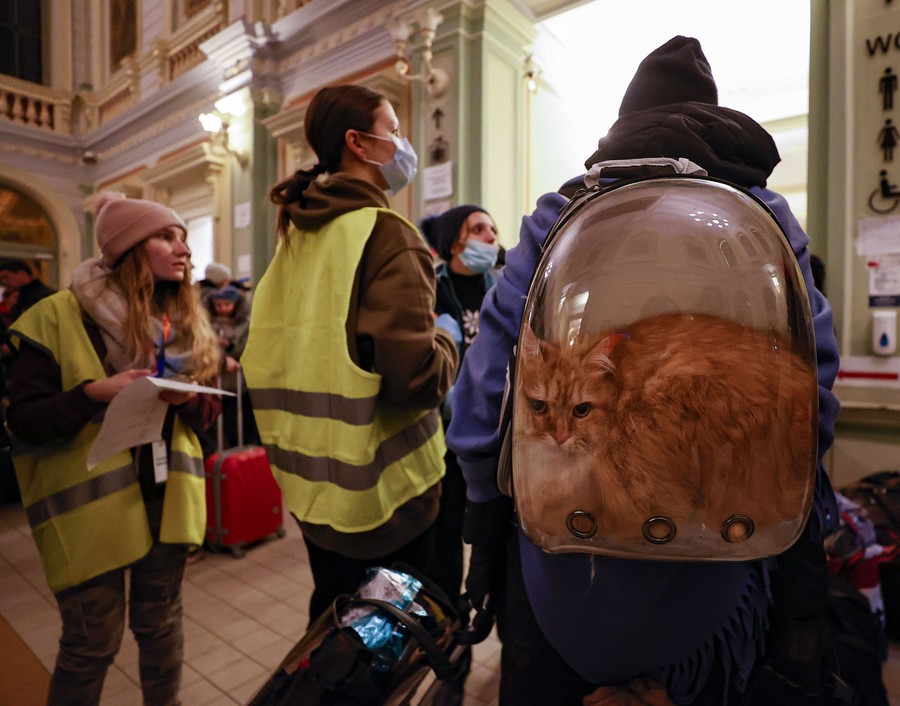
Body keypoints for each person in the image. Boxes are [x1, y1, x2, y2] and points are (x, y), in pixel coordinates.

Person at [447, 36, 843, 705]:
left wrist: (485, 511)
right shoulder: (764, 219)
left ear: (622, 127)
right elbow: (814, 384)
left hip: (566, 544)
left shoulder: (563, 211)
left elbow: (487, 384)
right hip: (723, 540)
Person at [241, 84, 460, 624]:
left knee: (336, 630)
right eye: (393, 130)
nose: (402, 144)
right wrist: (447, 338)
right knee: (392, 639)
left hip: (315, 495)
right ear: (359, 143)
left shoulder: (295, 237)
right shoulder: (387, 235)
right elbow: (416, 381)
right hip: (389, 500)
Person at [6, 191, 222, 705]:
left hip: (167, 499)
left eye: (184, 238)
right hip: (90, 511)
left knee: (162, 626)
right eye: (166, 236)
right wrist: (92, 394)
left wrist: (186, 402)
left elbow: (208, 418)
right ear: (127, 248)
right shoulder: (57, 315)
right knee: (90, 644)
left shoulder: (183, 320)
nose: (182, 249)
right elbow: (24, 421)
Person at [420, 204, 500, 604]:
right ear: (455, 242)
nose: (492, 236)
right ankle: (450, 639)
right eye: (479, 228)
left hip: (496, 435)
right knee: (444, 543)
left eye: (493, 229)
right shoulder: (430, 290)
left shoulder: (503, 290)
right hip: (446, 440)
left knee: (494, 539)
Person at [206, 284, 257, 449]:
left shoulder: (244, 324)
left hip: (237, 381)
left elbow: (244, 348)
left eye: (226, 305)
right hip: (216, 378)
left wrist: (228, 347)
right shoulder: (208, 323)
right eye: (218, 305)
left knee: (237, 420)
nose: (222, 309)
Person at [0, 258, 55, 322]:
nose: (4, 282)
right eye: (1, 280)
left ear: (22, 274)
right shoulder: (23, 296)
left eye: (6, 277)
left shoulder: (39, 296)